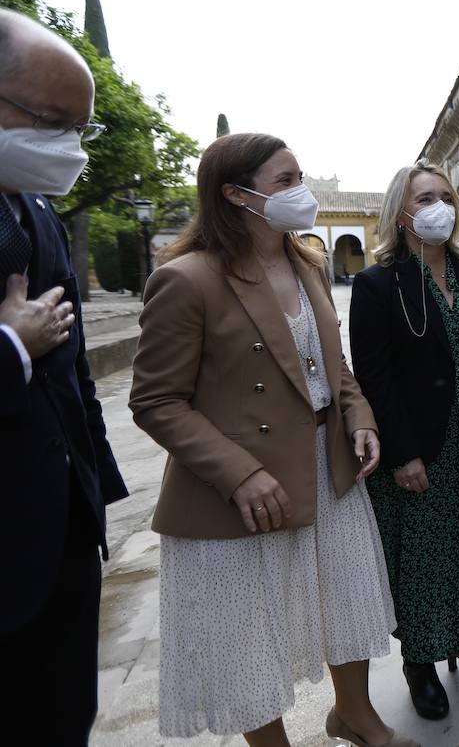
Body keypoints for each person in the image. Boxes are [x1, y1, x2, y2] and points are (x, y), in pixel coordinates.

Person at [129, 133, 409, 747]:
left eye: (299, 177)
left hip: (326, 460)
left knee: (346, 599)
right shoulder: (187, 280)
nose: (300, 192)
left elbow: (330, 366)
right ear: (235, 194)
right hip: (244, 485)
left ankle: (354, 715)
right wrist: (238, 472)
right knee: (246, 633)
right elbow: (154, 402)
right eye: (285, 181)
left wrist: (358, 415)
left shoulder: (306, 262)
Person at [349, 162, 459, 722]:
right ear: (402, 211)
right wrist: (401, 453)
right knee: (425, 559)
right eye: (426, 197)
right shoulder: (378, 285)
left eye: (446, 196)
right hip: (421, 446)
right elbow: (374, 377)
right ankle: (419, 662)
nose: (438, 206)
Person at [0, 8, 129, 745]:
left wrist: (96, 489)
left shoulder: (38, 209)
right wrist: (10, 346)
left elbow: (74, 365)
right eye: (53, 123)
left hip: (63, 527)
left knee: (60, 718)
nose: (68, 147)